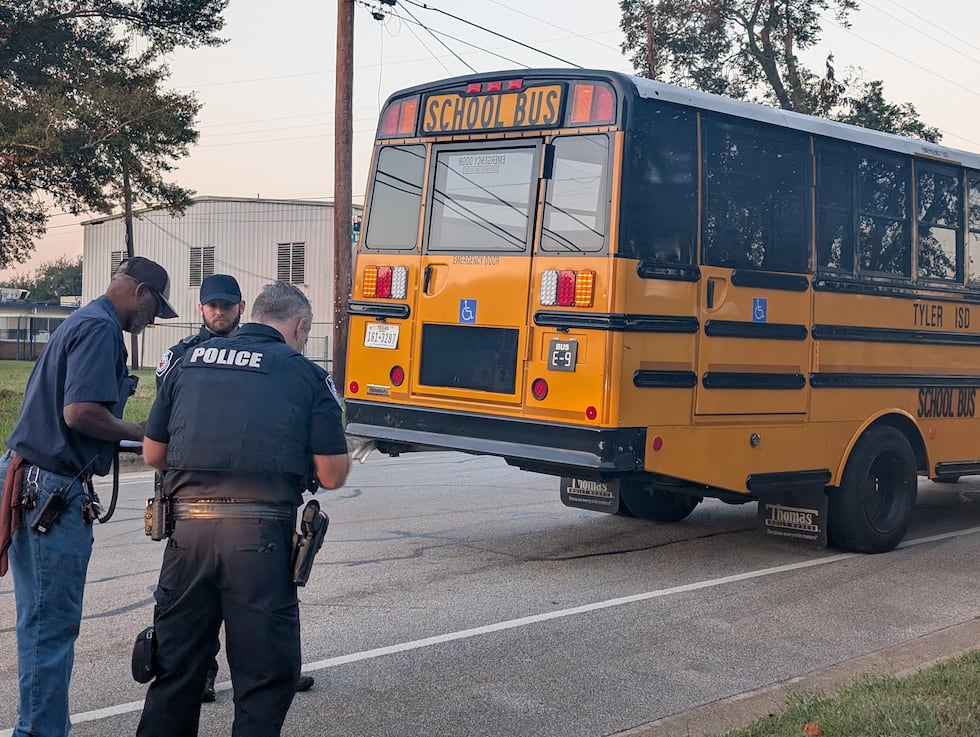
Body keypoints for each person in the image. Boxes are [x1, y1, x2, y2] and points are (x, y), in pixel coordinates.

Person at [137, 281, 350, 737]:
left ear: (250, 314)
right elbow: (332, 475)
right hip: (259, 542)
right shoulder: (305, 375)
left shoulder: (187, 362)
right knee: (262, 681)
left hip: (187, 537)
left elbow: (153, 454)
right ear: (301, 326)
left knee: (175, 672)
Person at [0, 256, 178, 737]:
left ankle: (43, 727)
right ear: (139, 291)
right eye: (154, 308)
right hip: (51, 488)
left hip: (37, 480)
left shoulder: (84, 321)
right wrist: (141, 432)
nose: (150, 320)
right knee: (49, 628)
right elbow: (79, 413)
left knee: (43, 624)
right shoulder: (101, 329)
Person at [154, 273, 315, 700]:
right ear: (201, 309)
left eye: (227, 305)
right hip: (193, 491)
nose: (220, 312)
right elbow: (165, 423)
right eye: (213, 305)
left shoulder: (271, 359)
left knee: (261, 592)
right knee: (197, 596)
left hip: (253, 492)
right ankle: (201, 670)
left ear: (242, 308)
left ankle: (270, 666)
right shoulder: (182, 356)